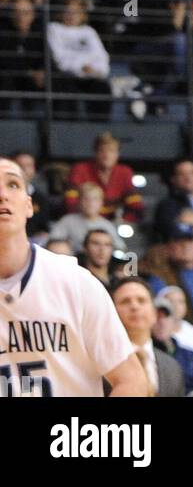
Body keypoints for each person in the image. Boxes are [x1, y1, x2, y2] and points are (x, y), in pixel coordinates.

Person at [0, 156, 146, 397]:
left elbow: (131, 381)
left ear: (29, 205)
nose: (2, 195)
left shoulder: (77, 282)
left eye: (13, 184)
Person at [111, 277, 185, 397]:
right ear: (112, 313)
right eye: (125, 301)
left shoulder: (173, 367)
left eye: (141, 300)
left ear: (155, 313)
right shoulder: (101, 364)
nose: (134, 306)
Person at [65, 131, 143, 224]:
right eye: (102, 151)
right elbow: (70, 203)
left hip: (113, 223)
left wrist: (124, 221)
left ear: (117, 154)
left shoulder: (125, 172)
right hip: (82, 221)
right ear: (95, 153)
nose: (107, 156)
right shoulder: (80, 169)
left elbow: (135, 205)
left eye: (111, 151)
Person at [48, 181, 124, 253]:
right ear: (79, 201)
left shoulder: (107, 225)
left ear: (102, 203)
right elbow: (53, 242)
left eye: (95, 199)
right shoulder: (67, 221)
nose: (90, 203)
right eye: (86, 199)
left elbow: (120, 248)